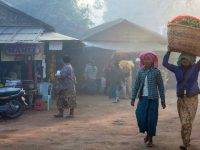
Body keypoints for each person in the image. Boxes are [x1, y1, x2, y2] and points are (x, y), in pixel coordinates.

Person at [163, 51, 200, 150]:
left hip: (192, 98)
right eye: (183, 59)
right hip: (181, 98)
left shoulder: (195, 68)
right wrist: (169, 51)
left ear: (191, 60)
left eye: (187, 59)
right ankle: (186, 141)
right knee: (184, 122)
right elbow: (165, 63)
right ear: (180, 60)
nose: (184, 61)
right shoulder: (176, 68)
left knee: (188, 121)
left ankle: (185, 142)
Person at [131, 52, 166, 147]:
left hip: (153, 99)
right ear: (142, 61)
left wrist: (163, 100)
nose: (147, 61)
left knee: (151, 119)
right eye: (145, 59)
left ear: (152, 61)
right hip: (142, 98)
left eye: (149, 59)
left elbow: (161, 87)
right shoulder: (140, 71)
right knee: (140, 116)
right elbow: (136, 85)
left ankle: (150, 138)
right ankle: (148, 133)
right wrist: (133, 98)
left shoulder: (156, 72)